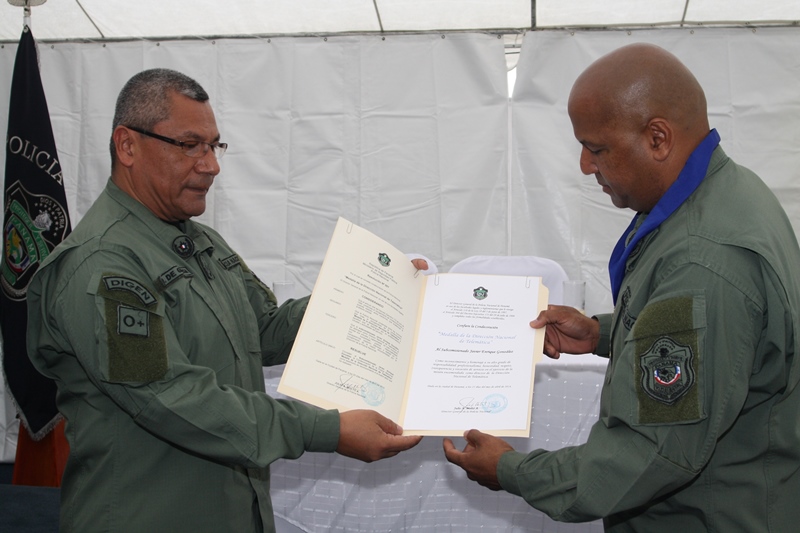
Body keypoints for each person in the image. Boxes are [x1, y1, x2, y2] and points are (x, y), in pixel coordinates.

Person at [25, 68, 423, 532]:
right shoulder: (102, 264)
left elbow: (264, 329)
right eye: (189, 145)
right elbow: (171, 397)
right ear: (127, 145)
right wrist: (327, 429)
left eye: (214, 146)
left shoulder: (202, 243)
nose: (210, 165)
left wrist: (372, 298)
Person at [444, 43, 800, 531]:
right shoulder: (728, 193)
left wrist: (513, 470)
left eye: (596, 149)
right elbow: (727, 336)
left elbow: (648, 453)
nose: (585, 166)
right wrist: (601, 332)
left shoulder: (702, 257)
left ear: (657, 138)